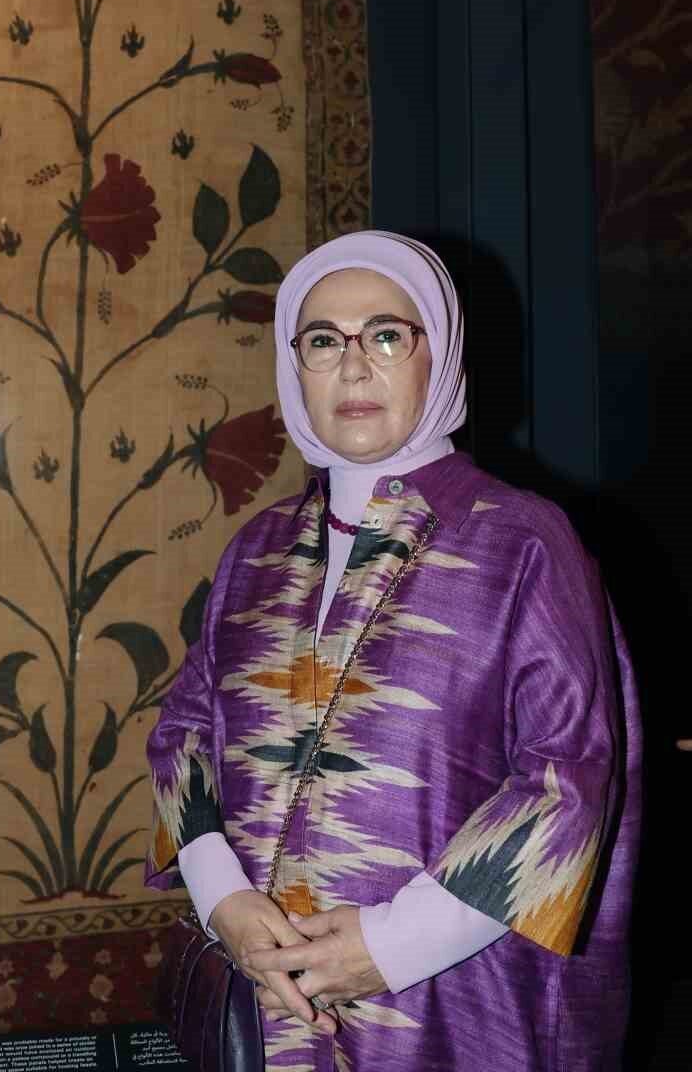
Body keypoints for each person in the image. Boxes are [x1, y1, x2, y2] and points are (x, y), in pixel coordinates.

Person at [146, 232, 639, 1071]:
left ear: (438, 353)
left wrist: (391, 945)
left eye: (385, 335)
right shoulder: (258, 550)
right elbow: (182, 734)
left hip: (449, 1001)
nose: (352, 366)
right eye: (322, 340)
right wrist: (223, 898)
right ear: (294, 366)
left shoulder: (522, 542)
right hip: (263, 1004)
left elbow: (568, 781)